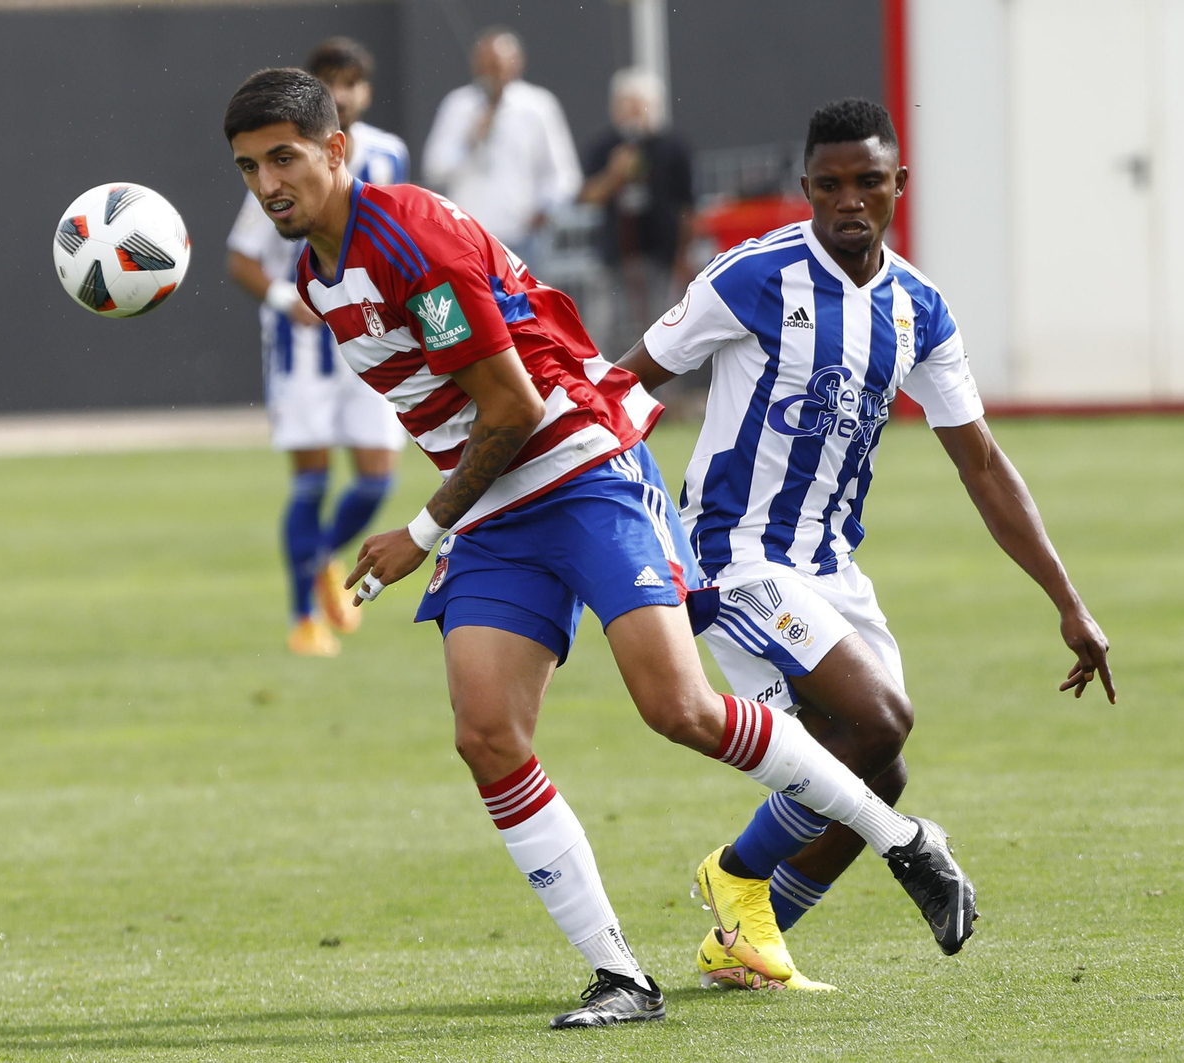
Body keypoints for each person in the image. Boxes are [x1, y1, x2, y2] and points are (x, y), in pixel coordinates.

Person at [224, 69, 977, 1028]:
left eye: (285, 157)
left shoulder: (410, 234)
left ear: (337, 150)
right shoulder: (314, 275)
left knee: (681, 709)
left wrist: (420, 533)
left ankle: (902, 838)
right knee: (486, 733)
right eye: (250, 168)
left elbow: (514, 406)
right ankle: (623, 975)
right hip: (498, 507)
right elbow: (457, 417)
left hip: (581, 467)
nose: (269, 184)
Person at [617, 97, 1116, 990]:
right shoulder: (752, 275)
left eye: (869, 183)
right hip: (733, 554)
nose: (850, 201)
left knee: (879, 769)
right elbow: (624, 386)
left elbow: (985, 465)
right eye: (830, 185)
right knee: (878, 718)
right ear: (806, 189)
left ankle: (747, 946)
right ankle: (735, 876)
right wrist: (629, 515)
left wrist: (1068, 600)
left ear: (899, 186)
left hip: (829, 567)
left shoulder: (920, 309)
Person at [225, 38, 409, 657]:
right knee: (310, 483)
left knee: (377, 482)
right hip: (303, 352)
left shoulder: (388, 155)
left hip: (372, 343)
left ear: (366, 91)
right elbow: (242, 256)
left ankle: (323, 560)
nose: (345, 93)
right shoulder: (282, 162)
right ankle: (303, 616)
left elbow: (396, 236)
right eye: (332, 81)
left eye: (353, 82)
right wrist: (287, 302)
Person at [421, 27, 581, 263]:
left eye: (498, 66)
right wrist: (470, 141)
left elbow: (564, 174)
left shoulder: (538, 106)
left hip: (524, 240)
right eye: (485, 66)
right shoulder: (459, 106)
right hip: (469, 240)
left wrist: (544, 211)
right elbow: (434, 168)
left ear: (516, 65)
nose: (492, 74)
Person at [579, 68, 695, 362]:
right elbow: (586, 196)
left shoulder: (672, 146)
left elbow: (688, 205)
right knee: (607, 326)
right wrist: (614, 174)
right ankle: (607, 390)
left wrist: (684, 255)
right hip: (614, 254)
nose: (630, 113)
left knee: (662, 327)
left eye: (637, 104)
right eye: (624, 104)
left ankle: (662, 397)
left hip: (660, 253)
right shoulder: (603, 146)